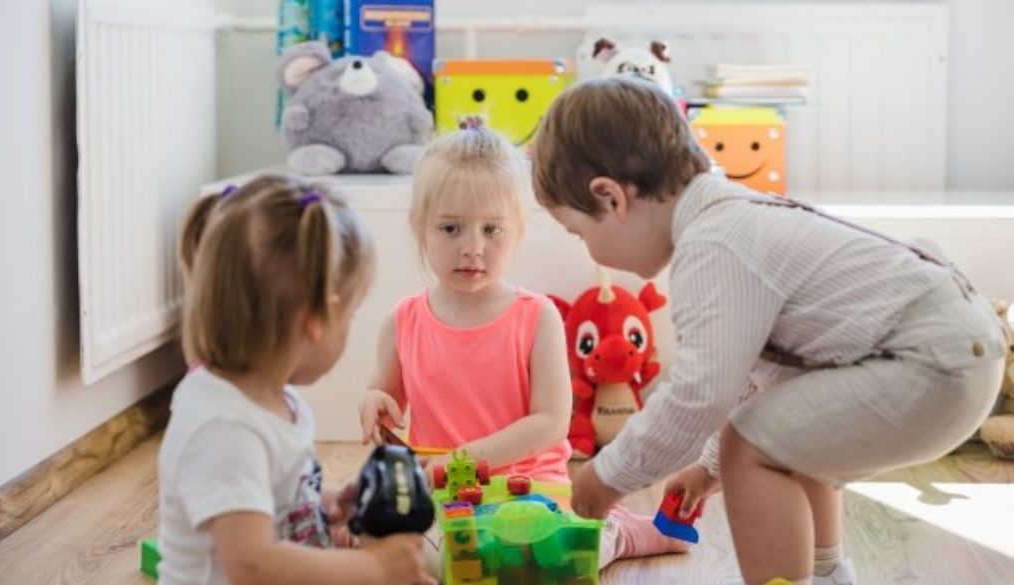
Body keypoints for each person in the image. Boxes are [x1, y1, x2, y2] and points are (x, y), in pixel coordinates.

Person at [531, 76, 1007, 585]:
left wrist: (607, 477)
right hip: (960, 350)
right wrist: (709, 468)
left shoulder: (713, 245)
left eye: (580, 234)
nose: (591, 252)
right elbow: (766, 381)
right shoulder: (735, 217)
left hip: (933, 359)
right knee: (789, 429)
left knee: (751, 446)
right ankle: (827, 575)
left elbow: (697, 395)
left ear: (611, 199)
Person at [358, 127, 689, 572]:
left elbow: (550, 424)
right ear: (421, 228)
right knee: (395, 553)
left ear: (517, 231)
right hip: (443, 492)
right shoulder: (402, 322)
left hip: (527, 486)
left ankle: (616, 533)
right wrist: (374, 400)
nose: (472, 248)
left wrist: (461, 461)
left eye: (492, 229)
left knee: (541, 560)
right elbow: (388, 402)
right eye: (451, 228)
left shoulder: (538, 316)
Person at [159, 175, 433, 585]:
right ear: (316, 321)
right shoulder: (224, 427)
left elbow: (275, 499)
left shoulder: (277, 401)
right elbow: (252, 565)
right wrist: (372, 569)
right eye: (350, 316)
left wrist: (328, 502)